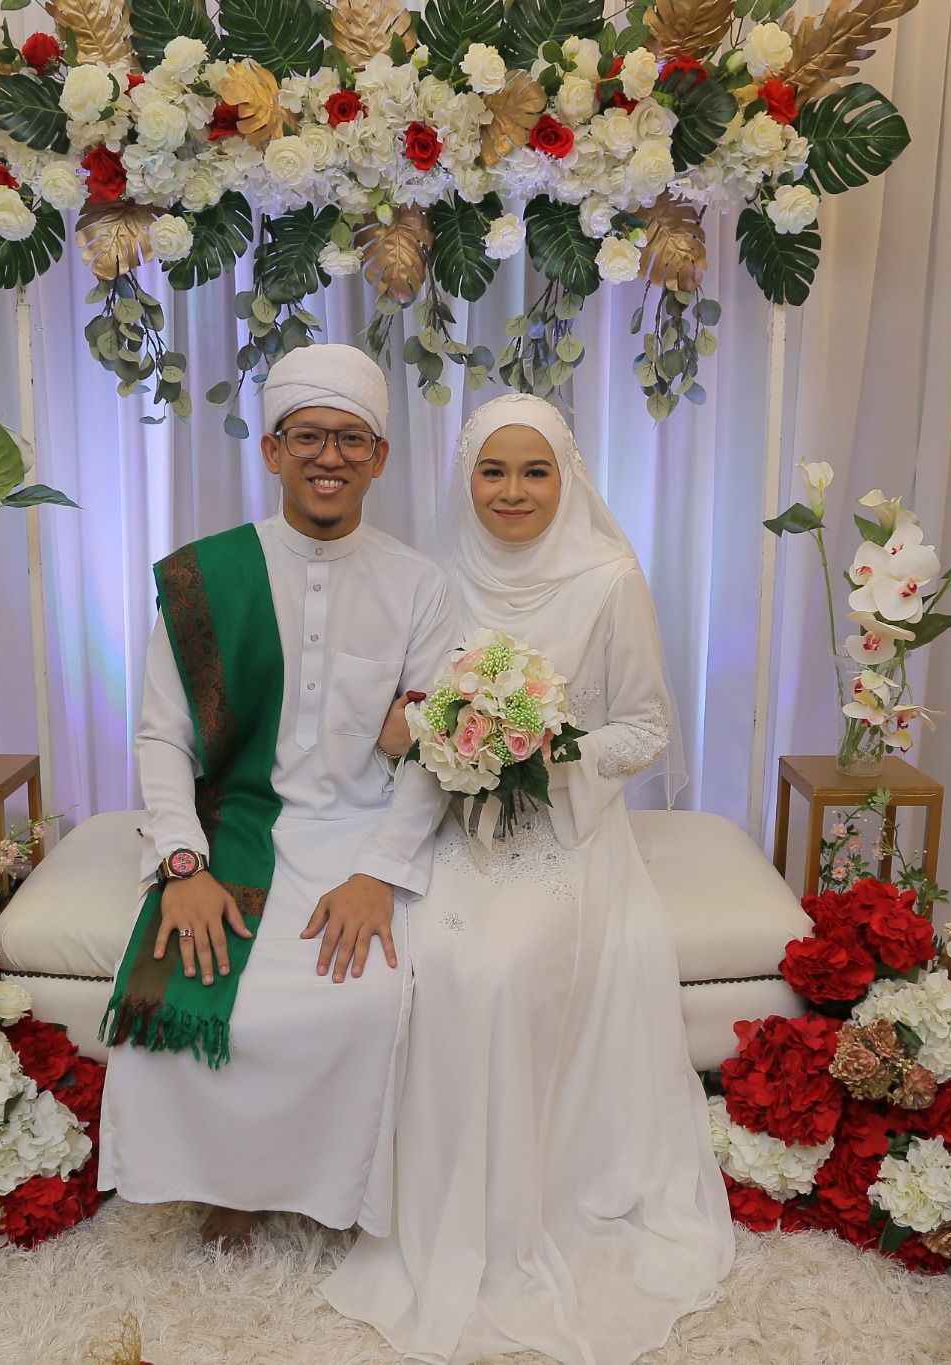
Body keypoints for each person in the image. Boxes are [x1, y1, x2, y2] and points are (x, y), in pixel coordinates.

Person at [322, 393, 734, 1364]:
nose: (513, 491)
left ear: (566, 477)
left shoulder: (607, 578)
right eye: (493, 471)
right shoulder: (434, 577)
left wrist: (545, 747)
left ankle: (512, 1218)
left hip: (565, 827)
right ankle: (412, 1206)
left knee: (497, 972)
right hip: (450, 816)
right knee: (421, 956)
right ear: (465, 478)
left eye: (534, 471)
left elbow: (645, 726)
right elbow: (400, 716)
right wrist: (435, 737)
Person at [98, 344, 459, 1247]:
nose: (328, 456)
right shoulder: (203, 578)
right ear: (271, 449)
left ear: (379, 457)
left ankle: (332, 1186)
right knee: (203, 978)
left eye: (350, 438)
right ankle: (231, 1179)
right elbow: (162, 736)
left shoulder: (420, 586)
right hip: (235, 823)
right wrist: (183, 864)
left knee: (362, 999)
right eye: (307, 436)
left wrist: (380, 874)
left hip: (361, 833)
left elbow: (437, 753)